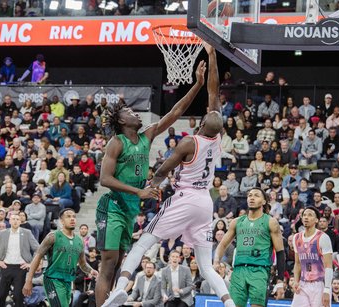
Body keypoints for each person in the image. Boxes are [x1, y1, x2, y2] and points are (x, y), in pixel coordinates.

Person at [104, 45, 235, 307]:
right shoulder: (217, 136)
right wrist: (211, 56)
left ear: (199, 124)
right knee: (206, 265)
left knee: (143, 244)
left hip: (185, 198)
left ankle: (120, 288)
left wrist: (152, 186)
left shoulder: (189, 142)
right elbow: (214, 90)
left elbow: (163, 170)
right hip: (205, 202)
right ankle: (229, 303)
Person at [96, 59, 206, 306]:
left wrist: (198, 84)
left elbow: (176, 112)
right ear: (122, 122)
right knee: (109, 264)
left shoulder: (146, 136)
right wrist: (140, 190)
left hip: (129, 209)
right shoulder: (116, 142)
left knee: (119, 266)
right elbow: (105, 179)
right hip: (112, 206)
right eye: (129, 112)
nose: (135, 113)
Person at [213, 187, 284, 307]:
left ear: (264, 201)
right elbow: (223, 244)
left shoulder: (270, 222)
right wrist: (216, 261)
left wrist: (280, 281)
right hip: (238, 271)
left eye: (256, 195)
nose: (251, 198)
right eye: (250, 195)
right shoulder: (237, 222)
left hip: (259, 270)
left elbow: (280, 253)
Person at [23, 208, 99, 306]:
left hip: (68, 281)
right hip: (52, 279)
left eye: (74, 216)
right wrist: (28, 280)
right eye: (68, 216)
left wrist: (91, 271)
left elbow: (82, 264)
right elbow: (37, 257)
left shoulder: (79, 241)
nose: (72, 219)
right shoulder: (53, 236)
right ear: (62, 221)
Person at [0, 213, 40, 307]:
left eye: (17, 219)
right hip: (5, 267)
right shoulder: (3, 233)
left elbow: (38, 249)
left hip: (20, 268)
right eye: (13, 219)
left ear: (20, 221)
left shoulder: (27, 232)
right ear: (10, 221)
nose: (15, 221)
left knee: (18, 296)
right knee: (1, 295)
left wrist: (30, 263)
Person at [291, 206, 333, 307]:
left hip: (319, 284)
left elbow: (329, 266)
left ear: (316, 220)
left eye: (310, 215)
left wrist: (327, 289)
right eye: (304, 215)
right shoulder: (296, 238)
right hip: (303, 283)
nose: (306, 217)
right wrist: (296, 281)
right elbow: (297, 263)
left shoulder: (323, 237)